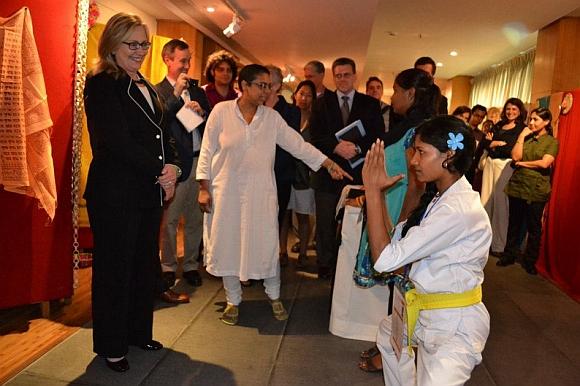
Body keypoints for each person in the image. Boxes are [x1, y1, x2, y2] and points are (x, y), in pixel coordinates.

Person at [196, 64, 351, 326]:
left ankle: (274, 295)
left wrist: (329, 164)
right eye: (261, 85)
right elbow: (207, 149)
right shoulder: (221, 112)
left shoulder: (271, 118)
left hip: (261, 193)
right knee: (228, 242)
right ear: (243, 86)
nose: (266, 91)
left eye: (269, 86)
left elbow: (298, 145)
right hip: (226, 193)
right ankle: (233, 299)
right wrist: (203, 187)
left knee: (266, 244)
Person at [83, 13, 180, 372]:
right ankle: (112, 344)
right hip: (115, 194)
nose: (140, 51)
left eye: (144, 44)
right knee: (115, 270)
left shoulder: (146, 84)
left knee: (142, 267)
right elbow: (116, 141)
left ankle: (138, 332)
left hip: (148, 191)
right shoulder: (102, 83)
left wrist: (174, 167)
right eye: (132, 44)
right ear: (112, 44)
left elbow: (163, 133)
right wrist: (161, 170)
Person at [363, 116, 491, 386]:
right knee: (389, 336)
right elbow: (394, 245)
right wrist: (385, 197)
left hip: (454, 326)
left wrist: (372, 193)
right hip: (427, 313)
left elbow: (385, 260)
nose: (413, 161)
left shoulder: (457, 209)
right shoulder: (442, 197)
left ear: (449, 155)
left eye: (421, 152)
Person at [358, 68, 440, 373]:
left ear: (411, 94)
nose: (392, 97)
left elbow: (418, 184)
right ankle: (393, 348)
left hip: (401, 213)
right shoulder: (409, 126)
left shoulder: (417, 129)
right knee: (400, 289)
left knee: (405, 288)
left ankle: (398, 353)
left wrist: (401, 227)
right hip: (392, 208)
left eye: (396, 90)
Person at [309, 57, 384, 279]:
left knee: (354, 222)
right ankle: (324, 265)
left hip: (357, 173)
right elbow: (315, 136)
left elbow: (378, 135)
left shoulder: (369, 104)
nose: (342, 79)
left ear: (354, 76)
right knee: (324, 222)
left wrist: (358, 149)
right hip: (327, 173)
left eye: (347, 75)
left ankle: (351, 265)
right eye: (338, 75)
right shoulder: (321, 102)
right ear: (334, 77)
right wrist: (336, 147)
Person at [156, 39, 210, 291]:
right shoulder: (158, 91)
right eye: (182, 61)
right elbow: (158, 123)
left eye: (189, 61)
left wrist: (202, 113)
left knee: (195, 218)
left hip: (199, 160)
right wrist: (176, 95)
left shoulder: (198, 92)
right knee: (170, 219)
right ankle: (167, 266)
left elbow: (209, 127)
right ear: (167, 59)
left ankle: (190, 265)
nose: (187, 66)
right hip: (174, 164)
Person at [499, 107, 559, 275]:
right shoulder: (526, 138)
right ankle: (509, 254)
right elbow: (515, 157)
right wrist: (521, 136)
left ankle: (530, 260)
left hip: (537, 189)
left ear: (546, 122)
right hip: (518, 185)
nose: (531, 123)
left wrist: (523, 164)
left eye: (536, 120)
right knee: (514, 223)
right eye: (530, 119)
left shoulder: (551, 142)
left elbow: (544, 163)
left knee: (534, 227)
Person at [264, 65, 301, 267]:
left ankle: (271, 259)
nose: (263, 88)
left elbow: (291, 142)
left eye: (267, 84)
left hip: (281, 172)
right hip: (257, 173)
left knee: (277, 217)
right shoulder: (254, 108)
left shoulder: (291, 111)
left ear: (277, 86)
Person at [480, 98, 527, 254]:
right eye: (508, 108)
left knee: (501, 205)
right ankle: (481, 242)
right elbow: (485, 143)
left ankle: (498, 245)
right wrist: (493, 144)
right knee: (485, 202)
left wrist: (495, 144)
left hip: (505, 166)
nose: (510, 112)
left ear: (520, 111)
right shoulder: (499, 125)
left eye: (514, 109)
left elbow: (511, 151)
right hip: (490, 165)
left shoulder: (522, 129)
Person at [279, 80, 318, 268]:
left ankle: (303, 252)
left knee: (303, 215)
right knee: (284, 214)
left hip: (305, 176)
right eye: (301, 93)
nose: (304, 98)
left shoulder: (315, 119)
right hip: (286, 171)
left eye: (309, 95)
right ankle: (281, 252)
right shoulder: (286, 116)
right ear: (295, 94)